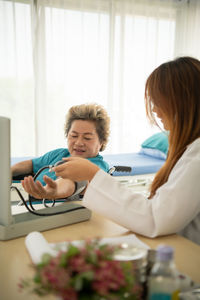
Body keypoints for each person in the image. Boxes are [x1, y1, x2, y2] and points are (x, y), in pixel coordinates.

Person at [22, 57, 200, 245]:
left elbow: (156, 218)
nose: (154, 109)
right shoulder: (57, 153)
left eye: (158, 101)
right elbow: (159, 208)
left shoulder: (196, 157)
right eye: (73, 136)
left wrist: (89, 175)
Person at [15, 103, 110, 199]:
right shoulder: (59, 154)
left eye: (87, 138)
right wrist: (7, 172)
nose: (79, 143)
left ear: (101, 141)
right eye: (74, 136)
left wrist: (55, 191)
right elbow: (31, 164)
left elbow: (72, 182)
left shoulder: (97, 166)